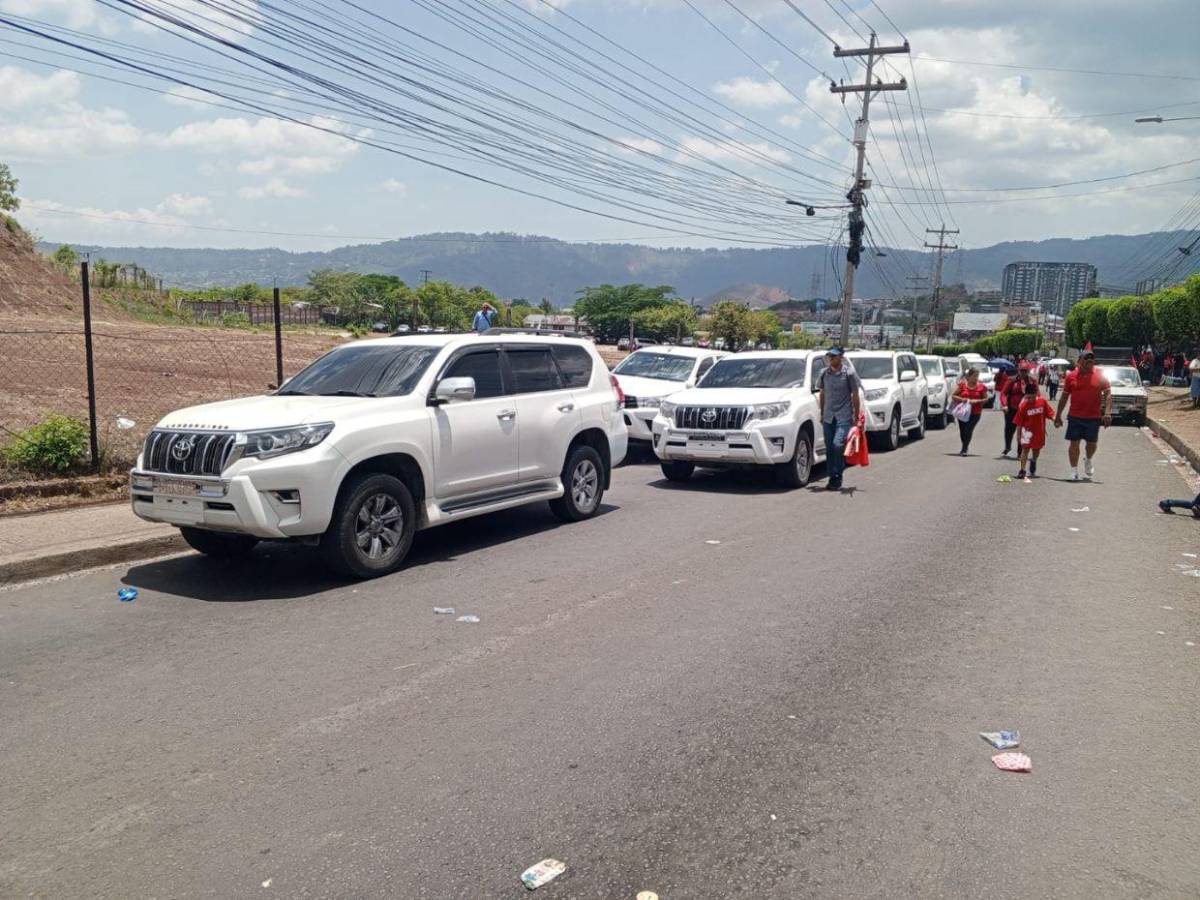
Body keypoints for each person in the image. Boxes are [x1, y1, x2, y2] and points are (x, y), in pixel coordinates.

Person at [1054, 349, 1111, 482]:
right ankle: (1074, 471)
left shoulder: (1100, 375)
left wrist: (1107, 413)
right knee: (1074, 444)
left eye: (1091, 359)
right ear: (1079, 361)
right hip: (1075, 416)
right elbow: (1064, 397)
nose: (1089, 361)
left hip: (1093, 417)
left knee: (1092, 443)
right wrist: (1058, 415)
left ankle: (1088, 459)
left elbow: (1108, 394)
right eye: (1086, 358)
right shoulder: (1071, 376)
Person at [817, 347, 862, 491]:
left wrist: (856, 417)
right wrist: (822, 413)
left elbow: (855, 394)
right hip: (829, 416)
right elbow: (822, 393)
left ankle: (838, 474)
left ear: (841, 357)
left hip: (844, 415)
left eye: (834, 356)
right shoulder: (824, 373)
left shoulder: (849, 373)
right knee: (829, 447)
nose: (831, 358)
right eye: (829, 356)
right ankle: (832, 477)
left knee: (837, 444)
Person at [1014, 381, 1053, 480]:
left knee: (1036, 450)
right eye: (1028, 397)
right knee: (1025, 450)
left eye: (1032, 397)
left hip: (1039, 431)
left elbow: (1050, 413)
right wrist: (1018, 435)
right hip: (1026, 432)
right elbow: (1018, 422)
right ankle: (1022, 470)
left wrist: (1055, 420)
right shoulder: (1023, 406)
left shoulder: (1042, 402)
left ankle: (1034, 460)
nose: (1030, 399)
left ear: (1036, 394)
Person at [951, 367, 989, 456]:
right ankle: (965, 445)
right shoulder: (963, 385)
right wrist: (962, 399)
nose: (976, 378)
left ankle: (964, 449)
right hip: (962, 413)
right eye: (974, 376)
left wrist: (977, 401)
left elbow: (986, 399)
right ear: (969, 376)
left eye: (977, 376)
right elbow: (953, 396)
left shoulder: (981, 387)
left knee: (968, 429)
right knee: (963, 431)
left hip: (975, 413)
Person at [999, 364, 1034, 457]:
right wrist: (1005, 405)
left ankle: (1020, 452)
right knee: (1009, 430)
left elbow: (1036, 393)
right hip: (1011, 409)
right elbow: (1003, 393)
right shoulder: (1012, 380)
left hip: (1025, 411)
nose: (1023, 373)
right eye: (1021, 371)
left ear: (1028, 371)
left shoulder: (1031, 381)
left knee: (1023, 431)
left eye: (1025, 371)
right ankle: (1007, 446)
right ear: (1018, 371)